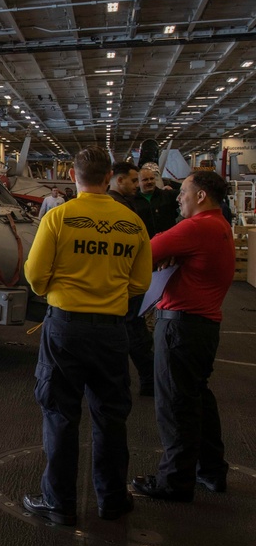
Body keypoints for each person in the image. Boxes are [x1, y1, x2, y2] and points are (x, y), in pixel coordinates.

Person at [22, 146, 152, 525]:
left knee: (61, 414)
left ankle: (59, 503)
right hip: (111, 331)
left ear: (74, 177)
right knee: (111, 416)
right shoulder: (132, 224)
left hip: (65, 327)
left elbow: (34, 276)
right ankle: (112, 499)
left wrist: (59, 290)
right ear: (109, 177)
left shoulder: (59, 218)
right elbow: (140, 282)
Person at [132, 171, 235, 502]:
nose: (178, 197)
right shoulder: (219, 226)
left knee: (175, 405)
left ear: (201, 196)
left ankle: (174, 482)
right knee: (196, 399)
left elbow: (146, 251)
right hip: (203, 326)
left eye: (184, 192)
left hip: (180, 327)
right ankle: (211, 470)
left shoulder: (196, 227)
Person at [109, 162, 154, 395]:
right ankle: (146, 379)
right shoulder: (119, 208)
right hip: (123, 284)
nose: (139, 185)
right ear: (119, 180)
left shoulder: (126, 204)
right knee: (133, 332)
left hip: (124, 283)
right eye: (134, 180)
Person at [134, 164, 178, 237]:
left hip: (168, 241)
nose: (149, 182)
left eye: (152, 178)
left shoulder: (168, 195)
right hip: (146, 242)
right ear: (138, 183)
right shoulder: (132, 201)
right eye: (145, 180)